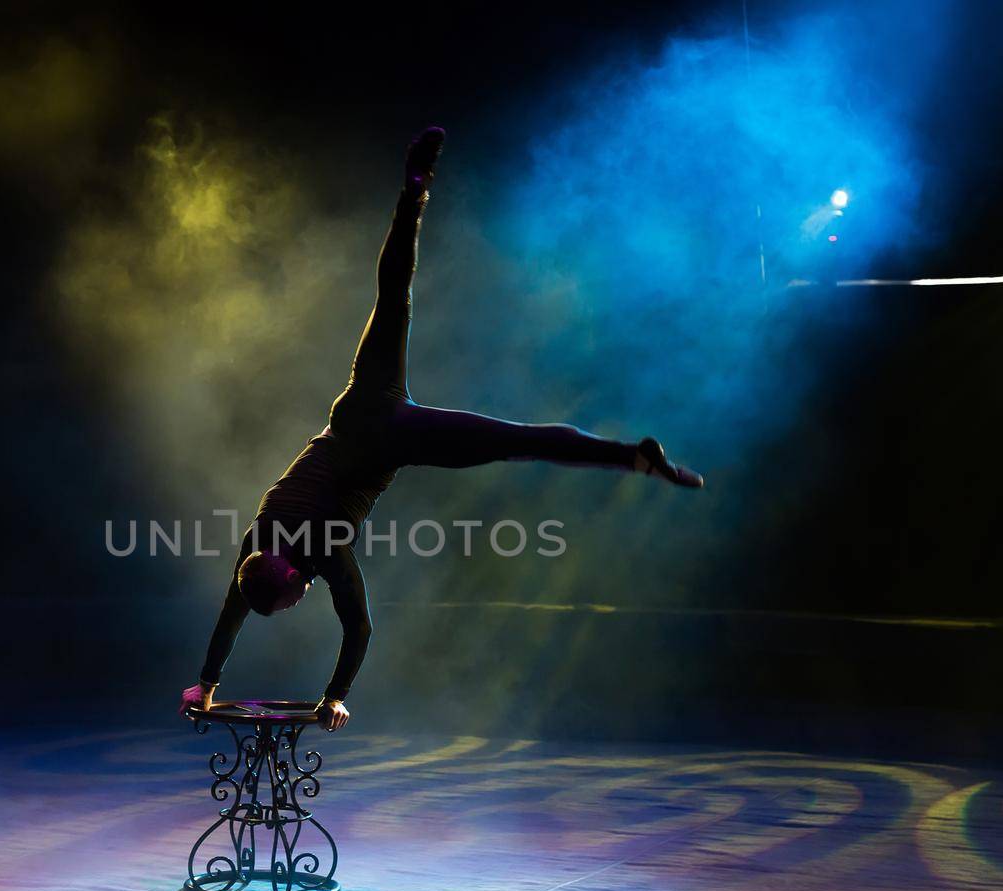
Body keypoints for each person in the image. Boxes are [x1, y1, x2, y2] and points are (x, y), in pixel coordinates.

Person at [180, 127, 702, 732]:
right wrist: (207, 685)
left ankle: (633, 461)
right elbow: (231, 614)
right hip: (357, 411)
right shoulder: (258, 539)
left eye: (294, 599)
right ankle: (415, 193)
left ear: (293, 576)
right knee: (393, 299)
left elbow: (359, 627)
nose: (299, 605)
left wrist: (334, 698)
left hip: (389, 436)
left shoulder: (317, 549)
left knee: (514, 443)